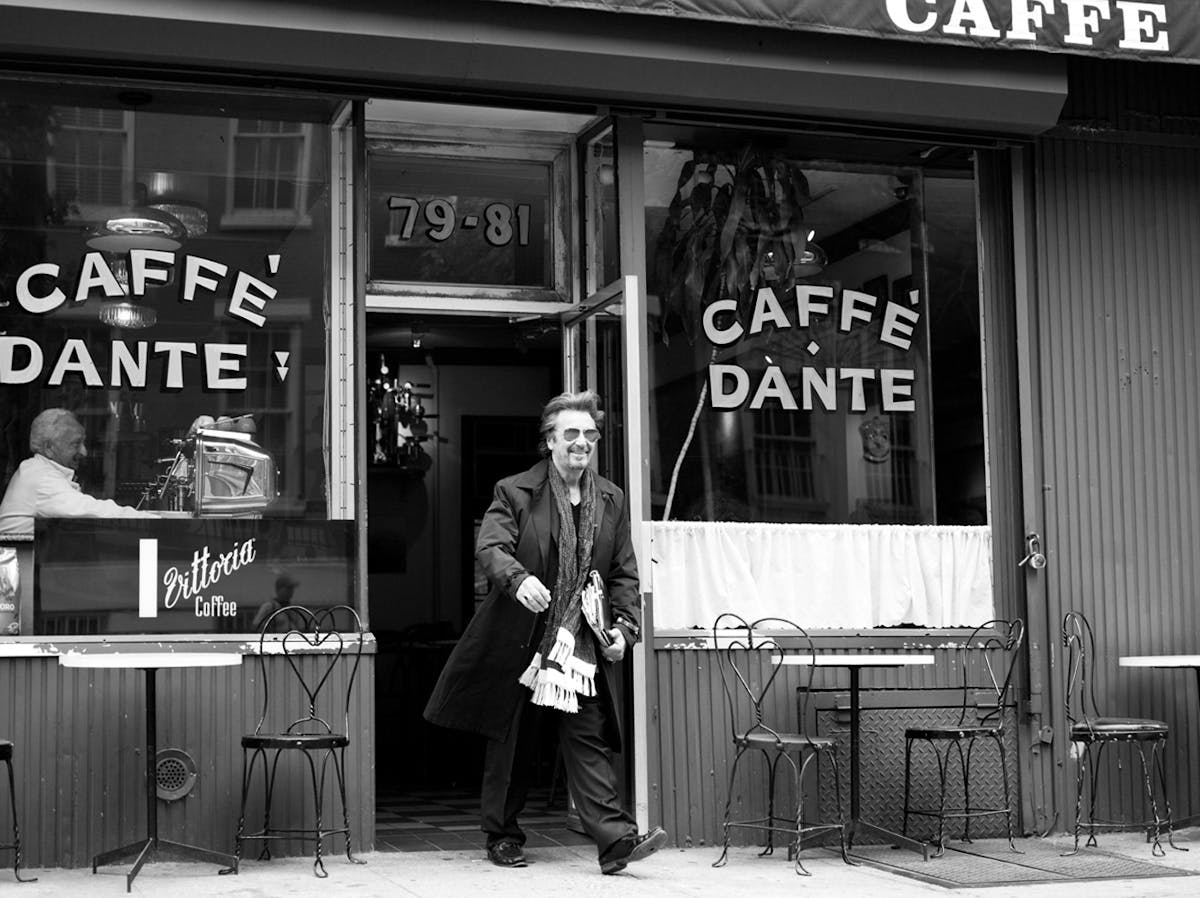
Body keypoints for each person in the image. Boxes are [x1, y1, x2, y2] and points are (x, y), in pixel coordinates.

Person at [424, 390, 667, 875]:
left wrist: (625, 629)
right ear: (549, 440)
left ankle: (615, 841)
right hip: (524, 640)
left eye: (590, 434)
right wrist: (519, 580)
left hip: (580, 644)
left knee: (588, 738)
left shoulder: (612, 498)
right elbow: (491, 547)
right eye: (571, 433)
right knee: (513, 741)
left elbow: (623, 574)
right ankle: (502, 835)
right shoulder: (513, 491)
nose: (582, 443)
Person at [0, 408, 158, 534]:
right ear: (49, 448)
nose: (84, 452)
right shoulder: (41, 477)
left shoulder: (37, 470)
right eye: (76, 444)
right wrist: (156, 521)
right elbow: (89, 510)